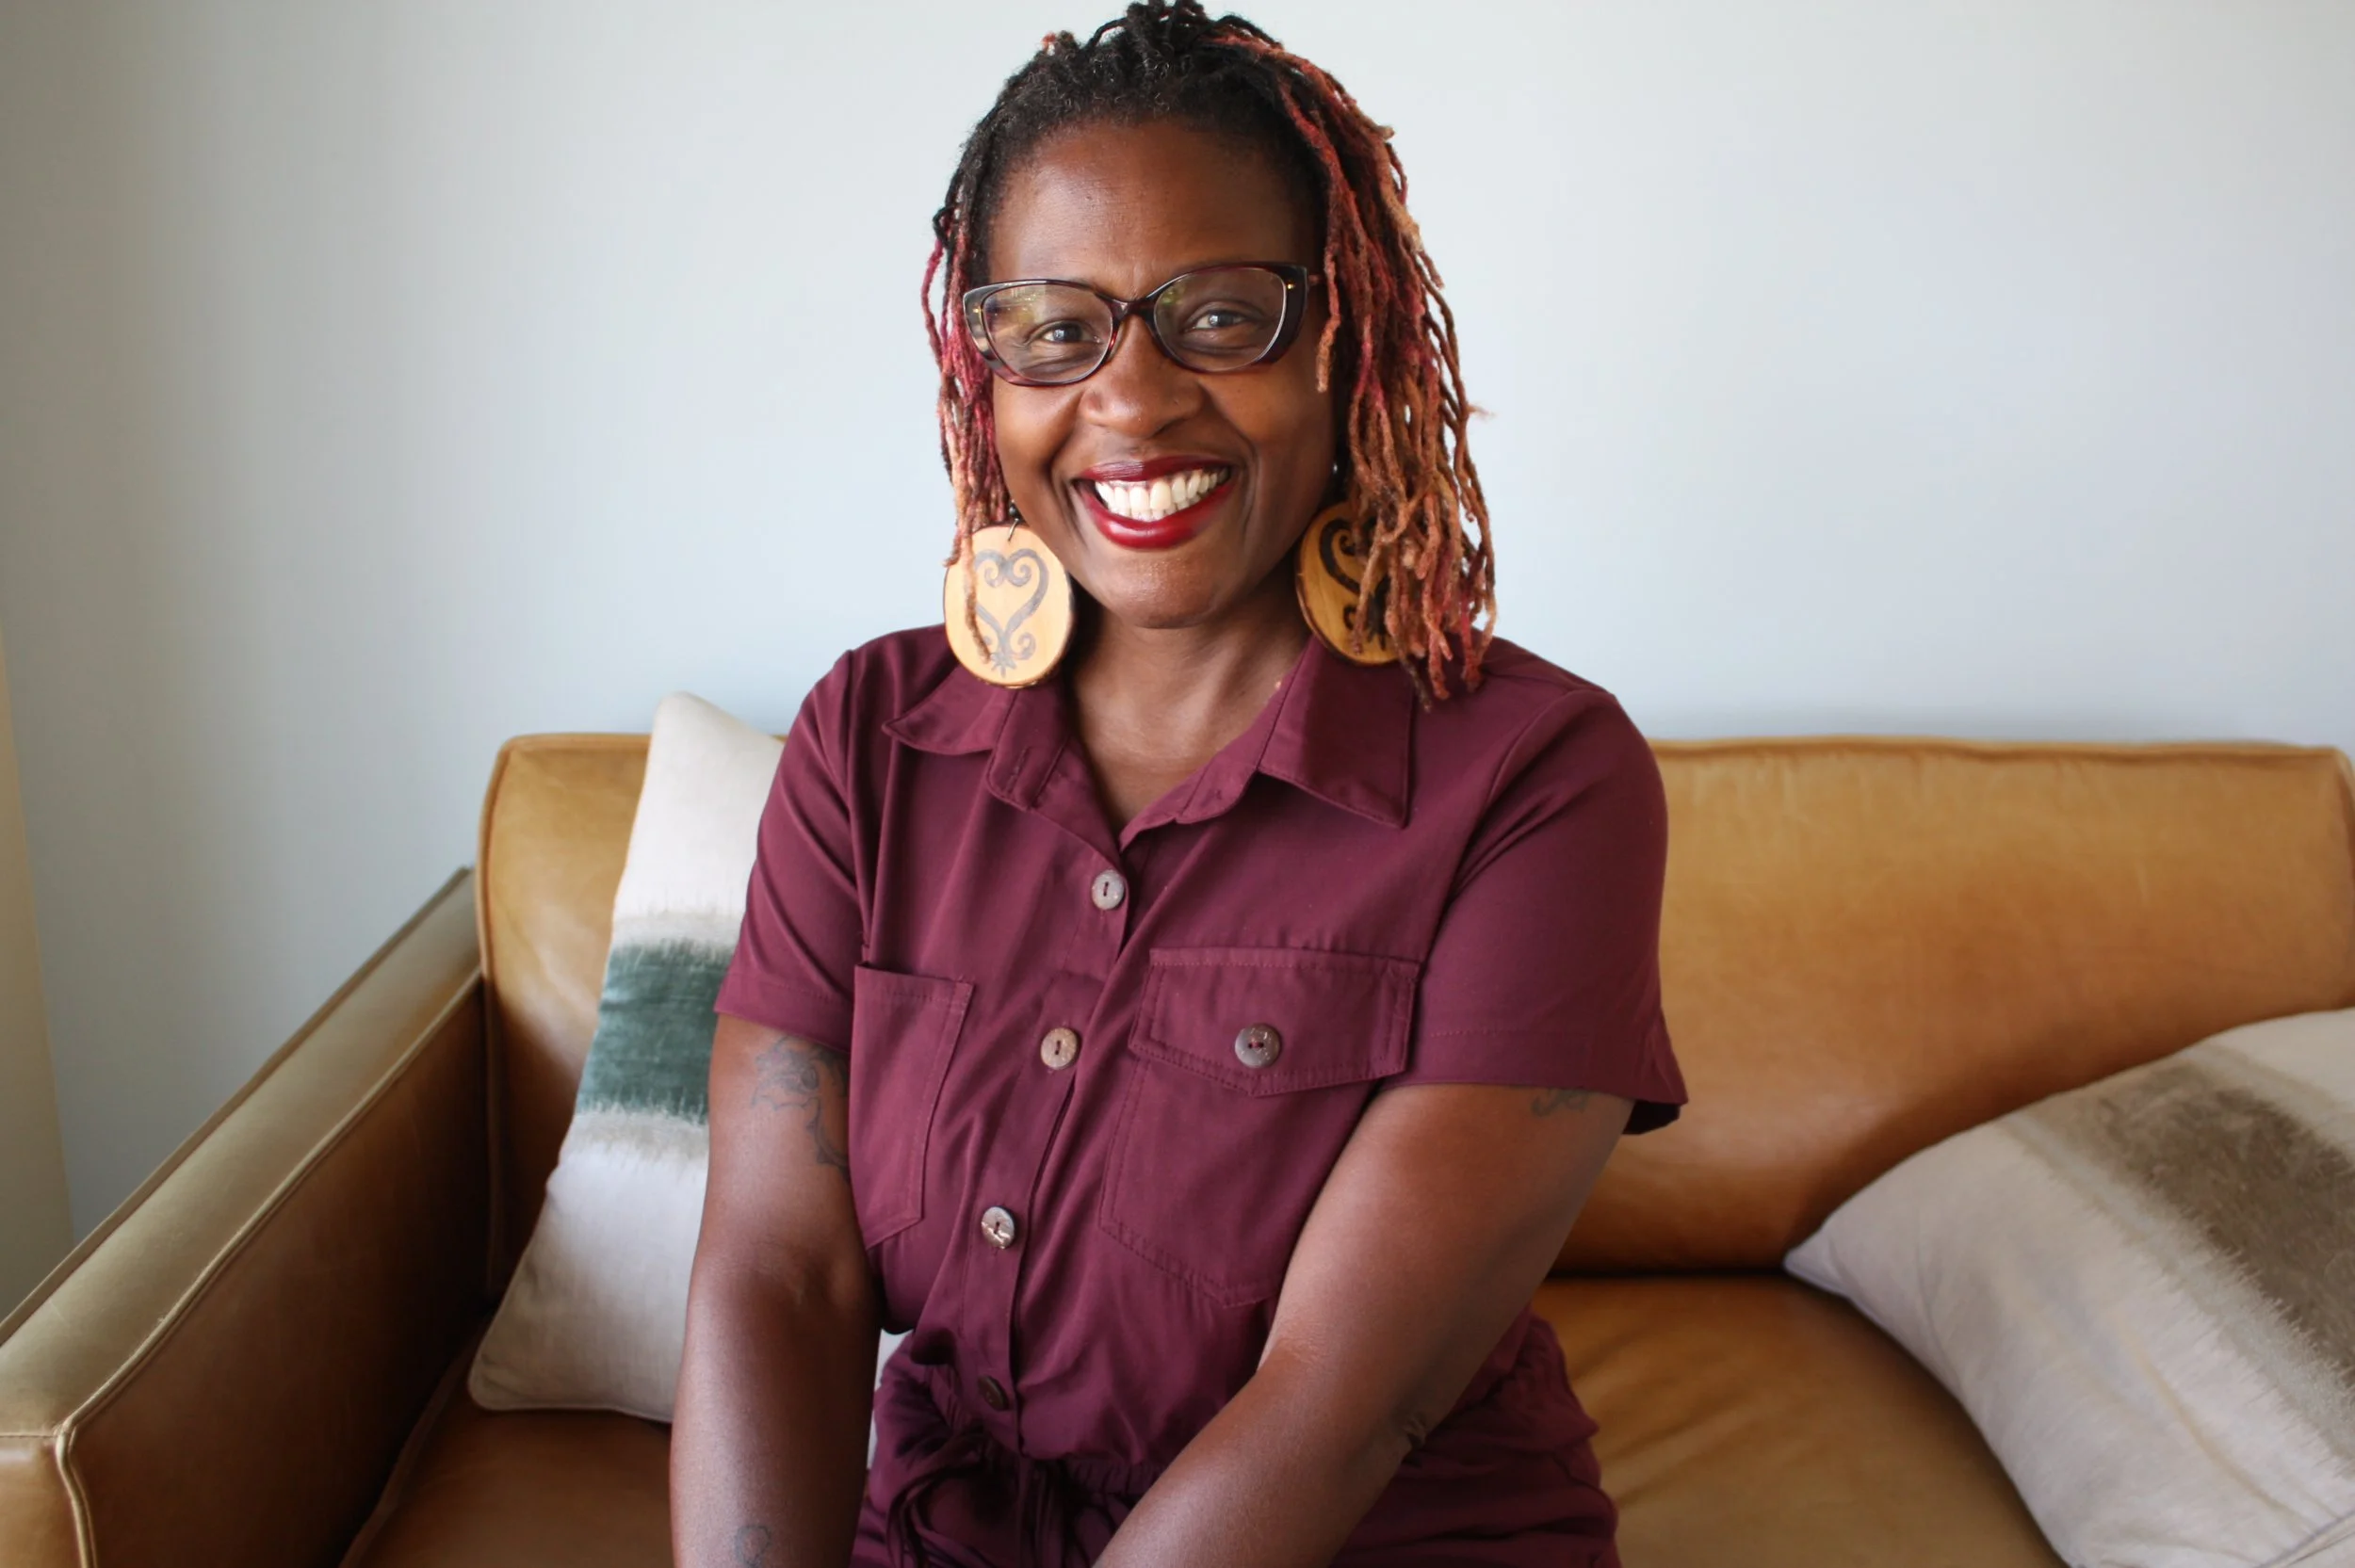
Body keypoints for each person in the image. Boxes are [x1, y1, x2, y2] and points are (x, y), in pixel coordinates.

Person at [672, 6, 1686, 1564]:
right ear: (984, 369)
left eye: (1219, 317)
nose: (1132, 401)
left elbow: (1342, 1402)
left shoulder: (1540, 782)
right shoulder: (867, 736)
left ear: (1354, 336)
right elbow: (776, 1273)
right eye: (1056, 330)